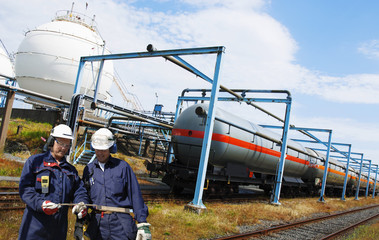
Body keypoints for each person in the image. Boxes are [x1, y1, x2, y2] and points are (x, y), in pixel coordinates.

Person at [18, 124, 89, 240]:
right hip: (34, 228)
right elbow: (25, 190)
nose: (63, 148)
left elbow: (79, 190)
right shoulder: (35, 162)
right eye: (60, 143)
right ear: (52, 141)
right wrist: (41, 204)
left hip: (58, 231)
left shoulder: (71, 171)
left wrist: (81, 203)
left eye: (67, 145)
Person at [82, 128, 151, 240]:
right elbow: (84, 194)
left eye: (103, 150)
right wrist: (81, 215)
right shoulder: (89, 170)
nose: (100, 153)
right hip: (98, 225)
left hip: (120, 225)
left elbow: (135, 195)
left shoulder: (122, 167)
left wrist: (142, 223)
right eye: (97, 149)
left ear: (110, 148)